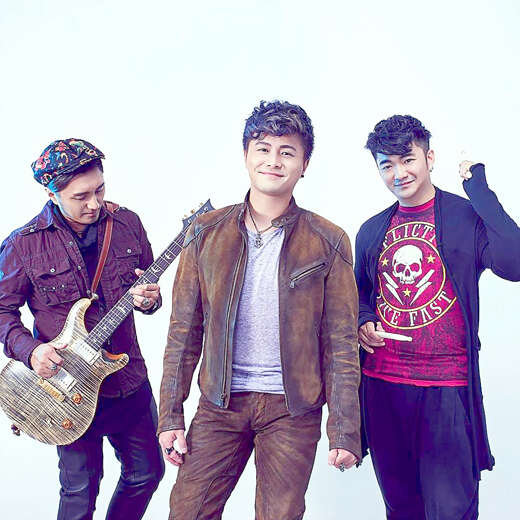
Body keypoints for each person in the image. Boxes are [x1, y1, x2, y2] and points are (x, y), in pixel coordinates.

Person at [158, 100, 361, 520]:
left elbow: (340, 343)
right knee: (187, 512)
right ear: (246, 155)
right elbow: (183, 331)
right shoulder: (205, 232)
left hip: (293, 409)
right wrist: (170, 415)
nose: (273, 161)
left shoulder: (329, 240)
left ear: (304, 164)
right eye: (263, 149)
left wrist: (344, 431)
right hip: (220, 404)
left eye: (287, 152)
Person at [355, 115, 520, 519]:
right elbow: (357, 293)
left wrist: (480, 190)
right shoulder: (372, 230)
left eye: (407, 160)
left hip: (447, 388)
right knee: (401, 509)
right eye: (387, 165)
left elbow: (514, 262)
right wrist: (363, 321)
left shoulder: (465, 217)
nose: (398, 173)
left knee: (451, 511)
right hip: (383, 387)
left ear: (429, 158)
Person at [0, 138, 165, 520]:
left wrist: (150, 300)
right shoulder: (23, 245)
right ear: (51, 193)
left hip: (127, 379)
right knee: (80, 493)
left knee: (146, 474)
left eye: (100, 190)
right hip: (65, 389)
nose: (94, 203)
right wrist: (31, 351)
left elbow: (148, 288)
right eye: (80, 196)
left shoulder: (127, 224)